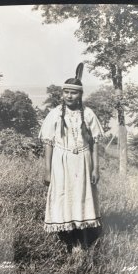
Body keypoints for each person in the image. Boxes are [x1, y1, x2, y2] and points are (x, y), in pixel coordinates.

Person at [39, 78, 104, 251]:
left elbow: (95, 143)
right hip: (61, 161)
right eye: (66, 92)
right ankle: (67, 240)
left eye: (73, 92)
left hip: (83, 161)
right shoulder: (55, 114)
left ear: (80, 94)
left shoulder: (88, 113)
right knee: (63, 196)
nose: (69, 95)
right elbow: (48, 143)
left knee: (81, 196)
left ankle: (81, 241)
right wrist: (47, 170)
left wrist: (96, 168)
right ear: (62, 93)